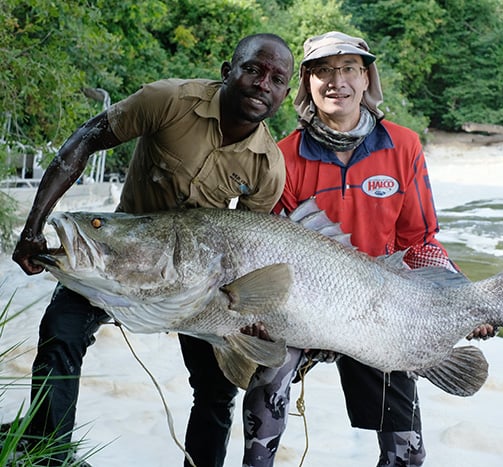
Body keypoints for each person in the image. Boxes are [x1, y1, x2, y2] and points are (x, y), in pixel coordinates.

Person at [11, 33, 294, 467]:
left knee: (218, 389)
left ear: (284, 95)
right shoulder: (168, 100)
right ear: (228, 72)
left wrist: (249, 316)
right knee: (61, 331)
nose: (262, 84)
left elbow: (249, 246)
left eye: (276, 79)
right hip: (118, 257)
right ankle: (48, 455)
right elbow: (85, 139)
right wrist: (32, 227)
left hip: (197, 280)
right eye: (253, 69)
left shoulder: (268, 166)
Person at [241, 31, 495, 467]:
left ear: (366, 79)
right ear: (307, 83)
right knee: (261, 419)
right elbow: (264, 246)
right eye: (323, 70)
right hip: (300, 306)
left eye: (349, 69)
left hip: (380, 310)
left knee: (406, 455)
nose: (336, 81)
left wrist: (463, 297)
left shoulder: (404, 146)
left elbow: (420, 241)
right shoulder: (282, 155)